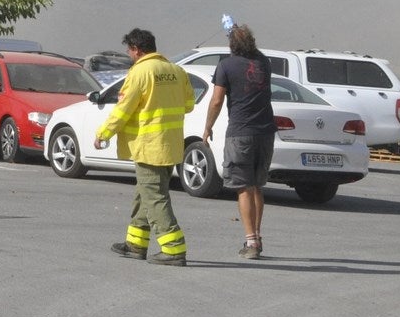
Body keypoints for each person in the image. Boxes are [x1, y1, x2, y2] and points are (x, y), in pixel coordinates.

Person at [96, 28, 197, 266]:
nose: (129, 54)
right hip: (169, 144)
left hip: (149, 145)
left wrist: (103, 133)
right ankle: (135, 244)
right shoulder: (176, 70)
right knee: (145, 194)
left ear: (137, 50)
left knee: (155, 197)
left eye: (129, 50)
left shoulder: (140, 72)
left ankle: (173, 249)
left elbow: (123, 109)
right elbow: (189, 104)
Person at [203, 24, 277, 259]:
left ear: (231, 45)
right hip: (265, 132)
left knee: (244, 187)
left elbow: (216, 101)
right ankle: (257, 235)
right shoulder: (265, 63)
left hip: (240, 133)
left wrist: (208, 128)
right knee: (256, 186)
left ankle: (251, 243)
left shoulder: (226, 65)